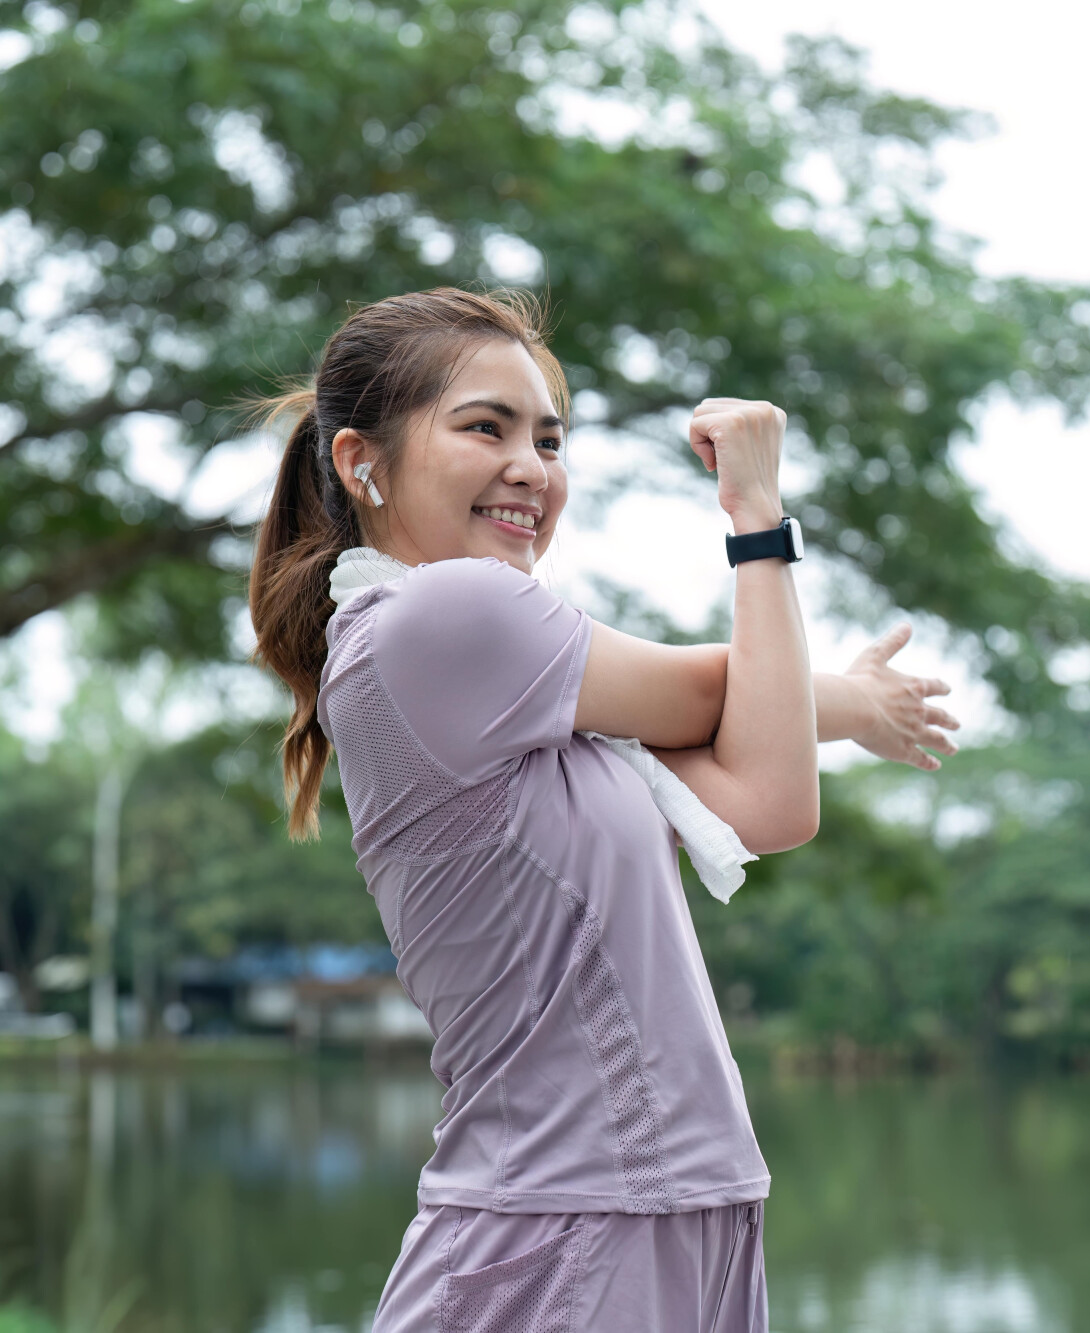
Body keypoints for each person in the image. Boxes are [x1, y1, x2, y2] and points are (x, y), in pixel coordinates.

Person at [247, 288, 958, 1332]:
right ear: (362, 462)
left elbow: (768, 798)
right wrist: (757, 517)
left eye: (548, 437)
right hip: (567, 1225)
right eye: (483, 427)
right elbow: (725, 692)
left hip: (677, 1206)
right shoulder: (441, 615)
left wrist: (827, 704)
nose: (531, 467)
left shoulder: (538, 708)